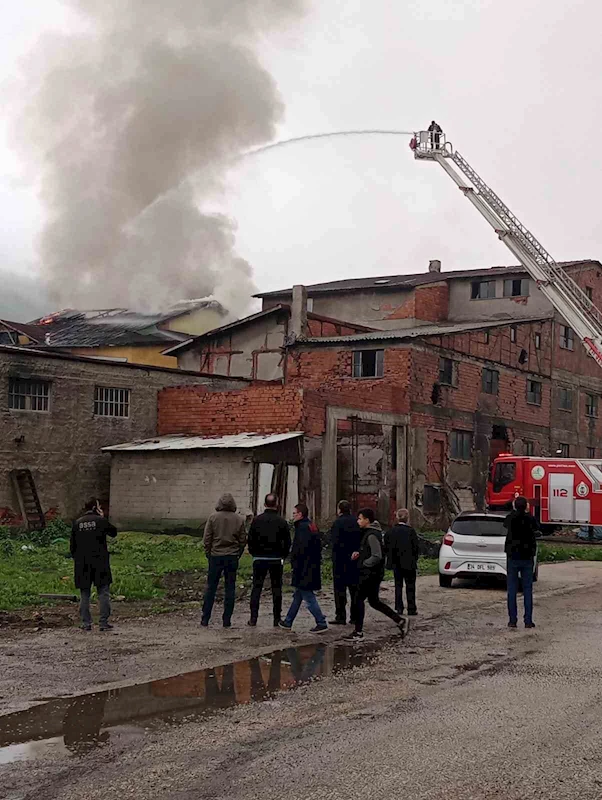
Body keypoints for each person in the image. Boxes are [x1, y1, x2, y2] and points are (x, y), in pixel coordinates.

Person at [346, 508, 405, 641]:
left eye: (360, 518)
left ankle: (358, 632)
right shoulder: (369, 533)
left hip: (370, 574)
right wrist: (360, 554)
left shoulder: (371, 535)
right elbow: (370, 551)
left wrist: (364, 563)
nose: (358, 521)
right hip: (373, 573)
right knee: (374, 602)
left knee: (358, 599)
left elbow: (377, 555)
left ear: (367, 520)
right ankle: (400, 620)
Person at [279, 503, 328, 633]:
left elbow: (300, 549)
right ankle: (288, 621)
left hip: (304, 567)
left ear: (300, 514)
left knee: (307, 595)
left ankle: (321, 622)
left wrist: (295, 563)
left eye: (294, 513)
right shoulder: (311, 526)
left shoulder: (302, 528)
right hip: (311, 566)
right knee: (298, 595)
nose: (293, 515)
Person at [70, 498, 117, 632]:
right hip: (100, 562)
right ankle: (103, 622)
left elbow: (72, 547)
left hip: (82, 564)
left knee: (85, 594)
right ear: (96, 508)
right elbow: (113, 533)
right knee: (103, 592)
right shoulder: (100, 521)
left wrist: (78, 560)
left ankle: (86, 623)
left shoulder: (77, 523)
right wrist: (103, 518)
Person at [201, 493, 247, 628]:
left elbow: (207, 538)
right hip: (232, 556)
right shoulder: (239, 519)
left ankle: (205, 618)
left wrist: (208, 553)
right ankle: (226, 620)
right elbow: (243, 540)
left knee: (211, 587)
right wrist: (238, 552)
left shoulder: (213, 518)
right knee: (230, 588)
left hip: (215, 556)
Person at [247, 493, 291, 627]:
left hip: (259, 559)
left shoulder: (256, 520)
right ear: (276, 504)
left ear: (264, 504)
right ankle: (276, 619)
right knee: (277, 589)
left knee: (257, 588)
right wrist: (282, 555)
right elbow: (287, 542)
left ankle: (253, 618)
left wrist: (254, 553)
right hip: (276, 559)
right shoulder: (282, 522)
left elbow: (250, 540)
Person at [504, 495, 539, 629]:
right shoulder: (530, 519)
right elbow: (537, 527)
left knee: (512, 590)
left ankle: (512, 620)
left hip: (512, 557)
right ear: (526, 507)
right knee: (527, 590)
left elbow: (505, 523)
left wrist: (514, 509)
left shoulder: (511, 518)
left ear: (514, 506)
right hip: (527, 558)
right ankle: (528, 621)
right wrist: (526, 512)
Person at [330, 500, 361, 625]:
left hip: (340, 560)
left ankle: (340, 616)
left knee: (339, 590)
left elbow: (334, 541)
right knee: (354, 590)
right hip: (354, 560)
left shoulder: (337, 523)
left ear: (339, 510)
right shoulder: (356, 522)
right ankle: (354, 617)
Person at [385, 508, 420, 616]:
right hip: (409, 563)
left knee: (398, 586)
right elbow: (416, 548)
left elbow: (386, 547)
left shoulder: (391, 532)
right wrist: (414, 559)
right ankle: (411, 608)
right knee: (410, 586)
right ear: (407, 518)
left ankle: (399, 608)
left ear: (397, 517)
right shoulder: (411, 532)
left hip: (396, 563)